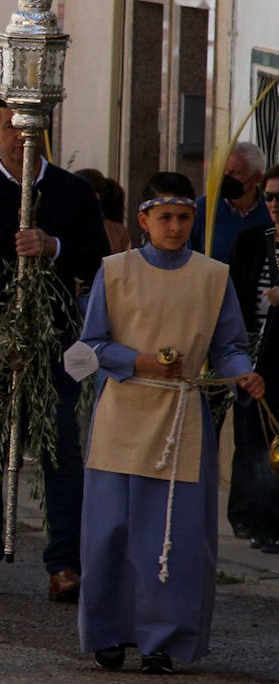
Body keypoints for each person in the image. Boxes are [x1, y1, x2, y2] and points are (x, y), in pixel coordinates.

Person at [78, 172, 263, 673]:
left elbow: (228, 345)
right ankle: (110, 632)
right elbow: (91, 344)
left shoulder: (211, 276)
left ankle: (162, 639)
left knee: (172, 536)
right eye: (166, 217)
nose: (176, 227)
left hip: (182, 417)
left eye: (184, 218)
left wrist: (242, 375)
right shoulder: (115, 271)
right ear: (144, 219)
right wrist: (140, 362)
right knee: (111, 530)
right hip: (123, 412)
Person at [0, 98, 111, 600]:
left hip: (55, 344)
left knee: (60, 450)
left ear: (46, 131)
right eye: (10, 127)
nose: (20, 136)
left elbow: (100, 260)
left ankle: (64, 565)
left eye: (29, 127)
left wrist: (54, 246)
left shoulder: (73, 193)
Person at [226, 164, 279, 551]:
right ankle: (255, 519)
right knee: (252, 443)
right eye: (271, 196)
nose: (275, 205)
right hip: (254, 359)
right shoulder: (252, 241)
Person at [190, 142, 269, 263]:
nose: (226, 177)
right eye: (223, 171)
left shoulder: (271, 210)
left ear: (257, 178)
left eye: (235, 172)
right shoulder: (204, 209)